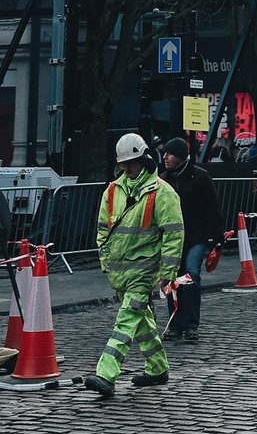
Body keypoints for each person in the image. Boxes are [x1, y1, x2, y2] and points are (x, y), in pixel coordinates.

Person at [84, 133, 184, 399]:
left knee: (126, 320)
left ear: (143, 159)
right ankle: (158, 368)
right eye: (123, 164)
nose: (126, 168)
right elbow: (103, 228)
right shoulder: (113, 190)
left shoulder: (162, 192)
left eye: (131, 163)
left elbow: (174, 233)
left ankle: (106, 373)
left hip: (143, 270)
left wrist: (167, 273)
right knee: (141, 323)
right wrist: (105, 258)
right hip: (119, 271)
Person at [160, 138, 225, 343]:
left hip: (195, 236)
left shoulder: (200, 178)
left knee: (191, 275)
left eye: (169, 154)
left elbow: (213, 209)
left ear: (180, 156)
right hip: (171, 239)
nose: (165, 157)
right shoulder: (162, 180)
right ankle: (175, 322)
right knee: (172, 279)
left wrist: (217, 239)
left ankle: (191, 325)